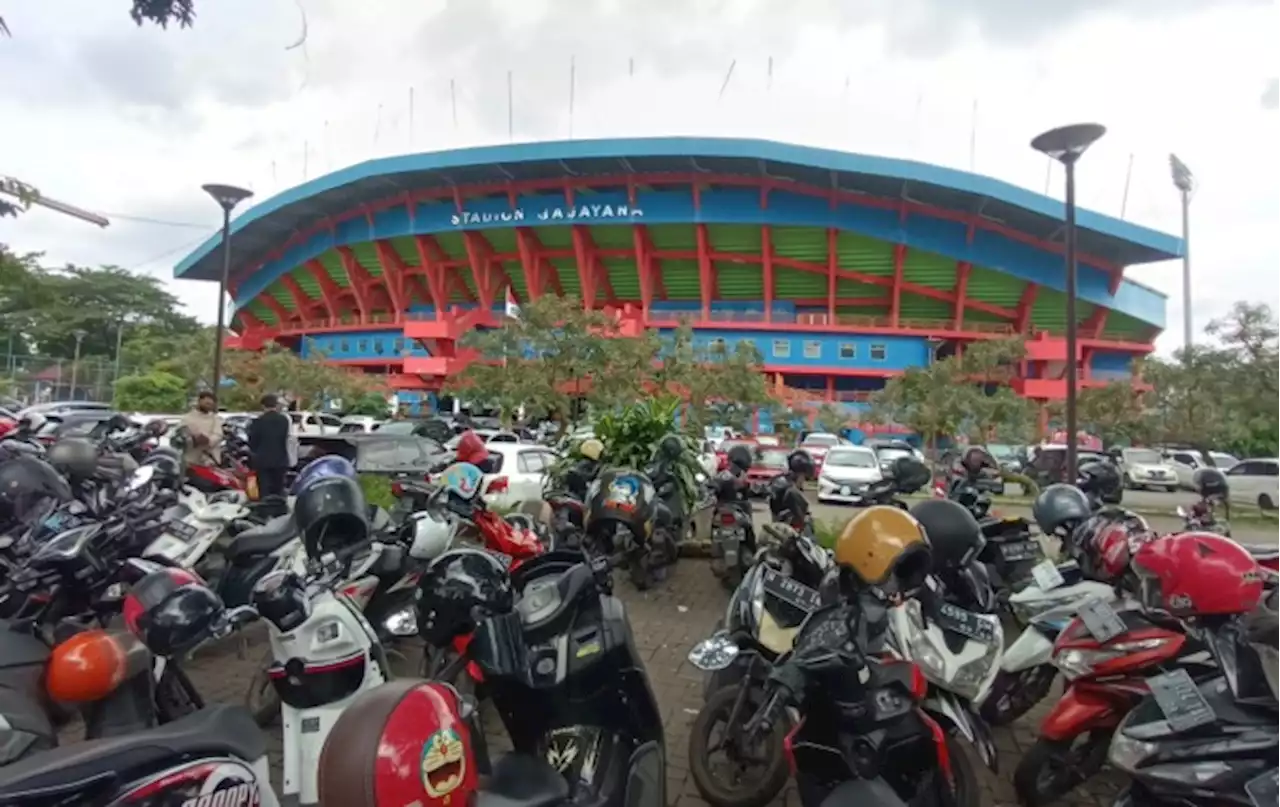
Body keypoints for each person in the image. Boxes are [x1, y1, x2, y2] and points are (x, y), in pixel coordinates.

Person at [248, 394, 292, 498]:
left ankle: (265, 510)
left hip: (263, 461)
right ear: (276, 405)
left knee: (264, 490)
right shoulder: (284, 420)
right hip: (280, 460)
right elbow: (285, 438)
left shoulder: (258, 421)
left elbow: (252, 442)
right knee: (278, 489)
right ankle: (279, 509)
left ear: (263, 406)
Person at [179, 391, 223, 468]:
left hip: (210, 460)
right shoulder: (187, 418)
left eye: (210, 404)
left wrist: (208, 441)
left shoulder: (215, 419)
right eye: (206, 403)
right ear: (199, 401)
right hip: (191, 460)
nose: (208, 406)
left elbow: (218, 435)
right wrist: (193, 440)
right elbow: (181, 435)